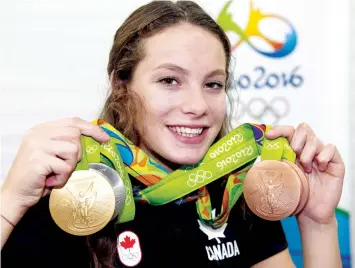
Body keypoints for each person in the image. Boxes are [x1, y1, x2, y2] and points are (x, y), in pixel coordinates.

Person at [1, 1, 345, 268]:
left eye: (213, 84)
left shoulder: (236, 191)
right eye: (169, 80)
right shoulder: (72, 194)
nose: (197, 105)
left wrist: (318, 222)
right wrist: (9, 203)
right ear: (120, 85)